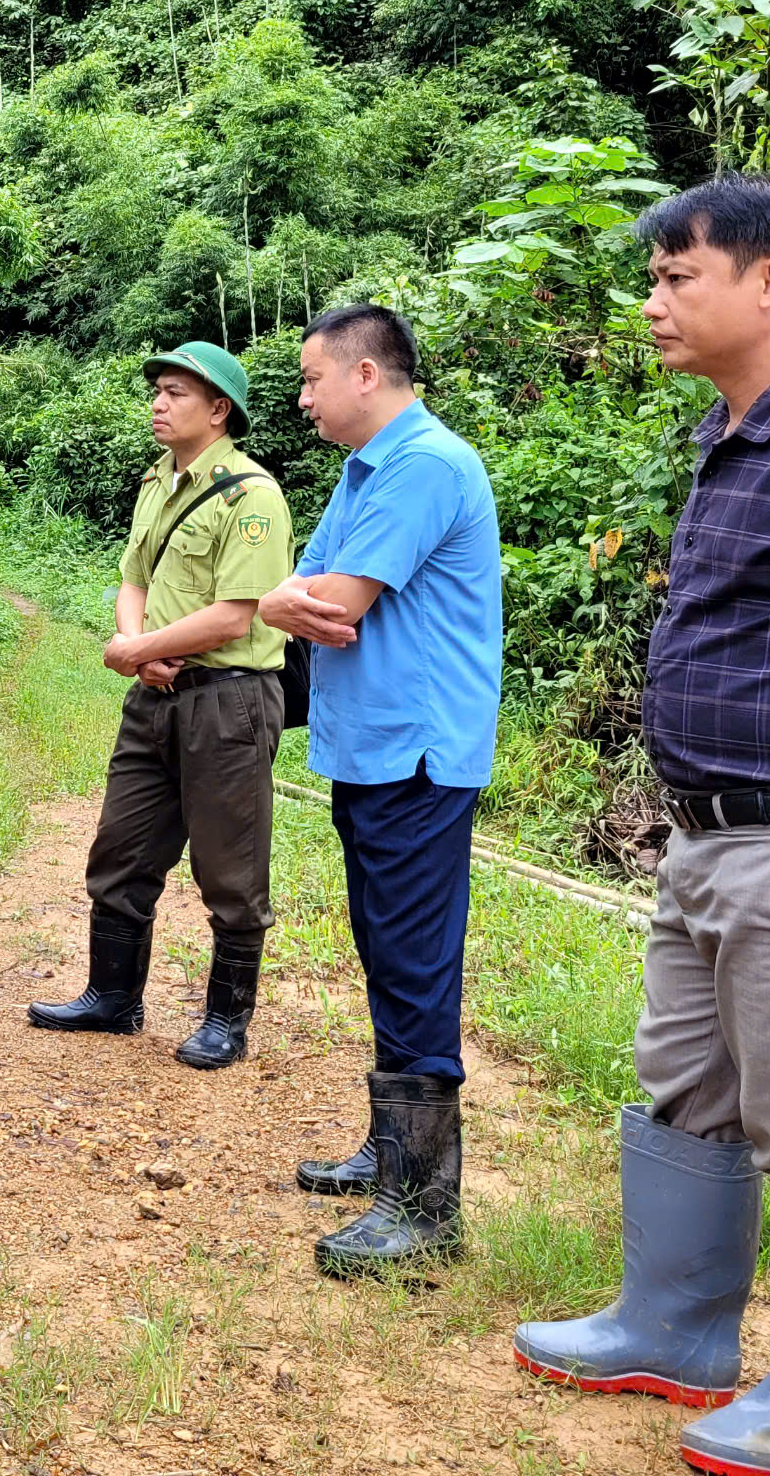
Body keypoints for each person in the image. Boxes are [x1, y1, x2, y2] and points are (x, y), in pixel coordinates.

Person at [512, 175, 770, 1476]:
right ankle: (672, 1330)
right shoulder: (732, 432)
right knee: (687, 1088)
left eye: (674, 276)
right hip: (710, 841)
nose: (651, 302)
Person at [259, 303, 500, 1277]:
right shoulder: (366, 470)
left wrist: (287, 600)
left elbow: (331, 599)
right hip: (370, 752)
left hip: (416, 756)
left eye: (311, 379)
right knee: (385, 952)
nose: (303, 399)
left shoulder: (425, 464)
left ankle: (425, 1207)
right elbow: (304, 587)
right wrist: (286, 598)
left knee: (414, 964)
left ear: (366, 374)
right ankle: (391, 1151)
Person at [29, 341, 296, 1069]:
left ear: (219, 410)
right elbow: (134, 579)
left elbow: (236, 614)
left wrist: (137, 649)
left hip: (228, 701)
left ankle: (226, 1022)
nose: (158, 403)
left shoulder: (252, 496)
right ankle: (112, 998)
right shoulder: (157, 482)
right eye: (157, 391)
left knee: (230, 869)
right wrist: (134, 644)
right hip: (155, 695)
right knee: (121, 849)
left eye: (177, 393)